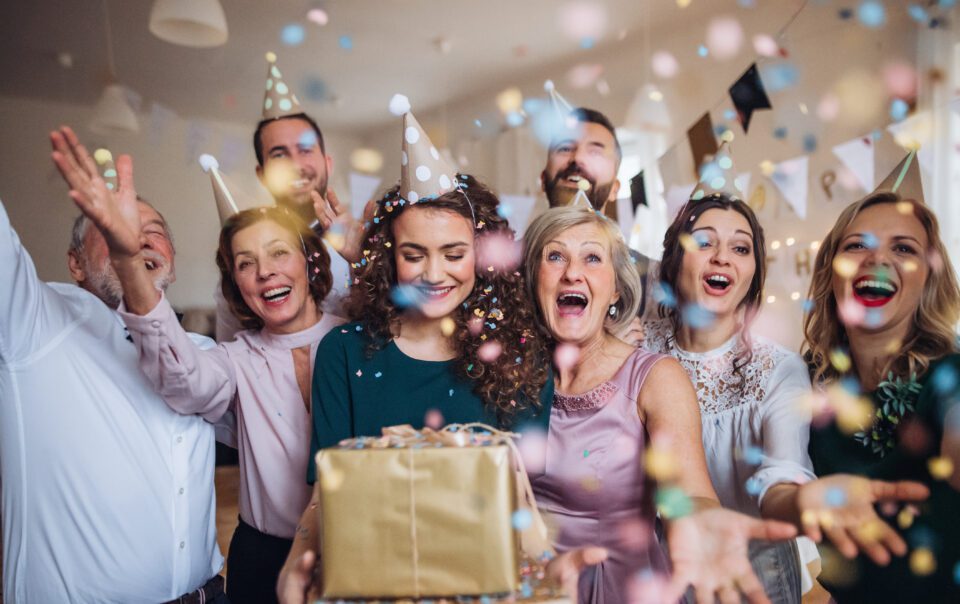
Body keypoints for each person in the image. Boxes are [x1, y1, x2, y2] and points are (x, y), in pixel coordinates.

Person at [51, 127, 344, 603]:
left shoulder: (355, 336)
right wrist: (128, 260)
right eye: (245, 263)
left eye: (278, 253)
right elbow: (183, 379)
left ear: (309, 262)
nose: (264, 271)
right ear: (236, 284)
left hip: (359, 542)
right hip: (264, 557)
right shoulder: (231, 358)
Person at [276, 112, 560, 602]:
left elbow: (519, 495)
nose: (434, 273)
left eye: (454, 254)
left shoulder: (520, 355)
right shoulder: (343, 352)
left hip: (483, 578)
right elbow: (326, 490)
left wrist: (548, 577)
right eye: (414, 255)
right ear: (390, 258)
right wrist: (293, 565)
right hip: (372, 576)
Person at [523, 205, 799, 603]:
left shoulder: (656, 377)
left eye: (592, 257)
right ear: (534, 279)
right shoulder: (511, 378)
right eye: (555, 256)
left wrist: (701, 522)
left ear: (616, 287)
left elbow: (690, 491)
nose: (572, 272)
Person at [0, 125, 226, 603]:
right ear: (75, 263)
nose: (136, 240)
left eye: (154, 234)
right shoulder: (31, 322)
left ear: (174, 261)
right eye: (113, 230)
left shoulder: (203, 353)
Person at [637, 191, 815, 599]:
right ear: (674, 259)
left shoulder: (779, 369)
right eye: (704, 242)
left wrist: (807, 502)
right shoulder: (636, 349)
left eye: (740, 247)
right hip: (658, 562)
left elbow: (784, 473)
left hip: (753, 563)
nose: (722, 257)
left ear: (752, 273)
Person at [800, 184, 960, 601]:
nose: (878, 258)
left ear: (928, 276)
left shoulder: (952, 376)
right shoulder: (804, 378)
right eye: (857, 245)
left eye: (904, 249)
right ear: (830, 271)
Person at [217, 56, 366, 341]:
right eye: (279, 154)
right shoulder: (243, 264)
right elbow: (230, 357)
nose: (296, 164)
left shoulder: (368, 243)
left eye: (306, 150)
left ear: (328, 163)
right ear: (262, 174)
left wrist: (364, 262)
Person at [540, 106, 657, 325]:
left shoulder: (653, 279)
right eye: (565, 148)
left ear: (615, 188)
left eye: (595, 152)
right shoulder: (501, 272)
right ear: (543, 180)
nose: (577, 158)